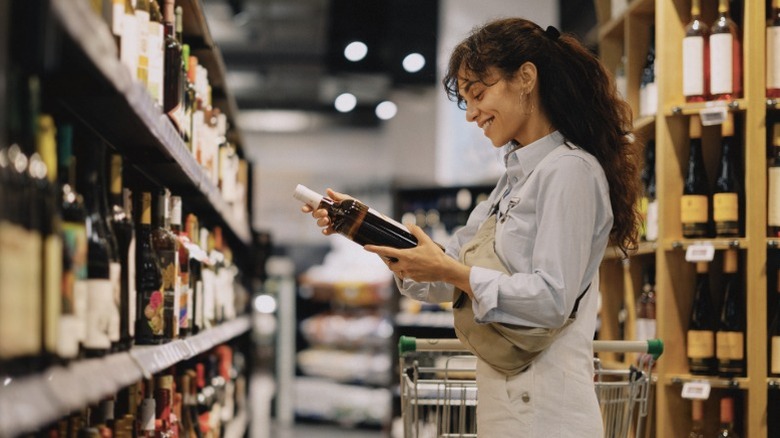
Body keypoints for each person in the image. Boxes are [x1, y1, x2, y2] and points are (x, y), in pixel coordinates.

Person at [301, 17, 640, 437]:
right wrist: (366, 230)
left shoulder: (570, 171)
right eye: (466, 101)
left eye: (478, 94)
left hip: (549, 410)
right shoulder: (511, 181)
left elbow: (551, 298)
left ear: (526, 78)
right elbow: (447, 279)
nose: (472, 114)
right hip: (507, 401)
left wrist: (451, 272)